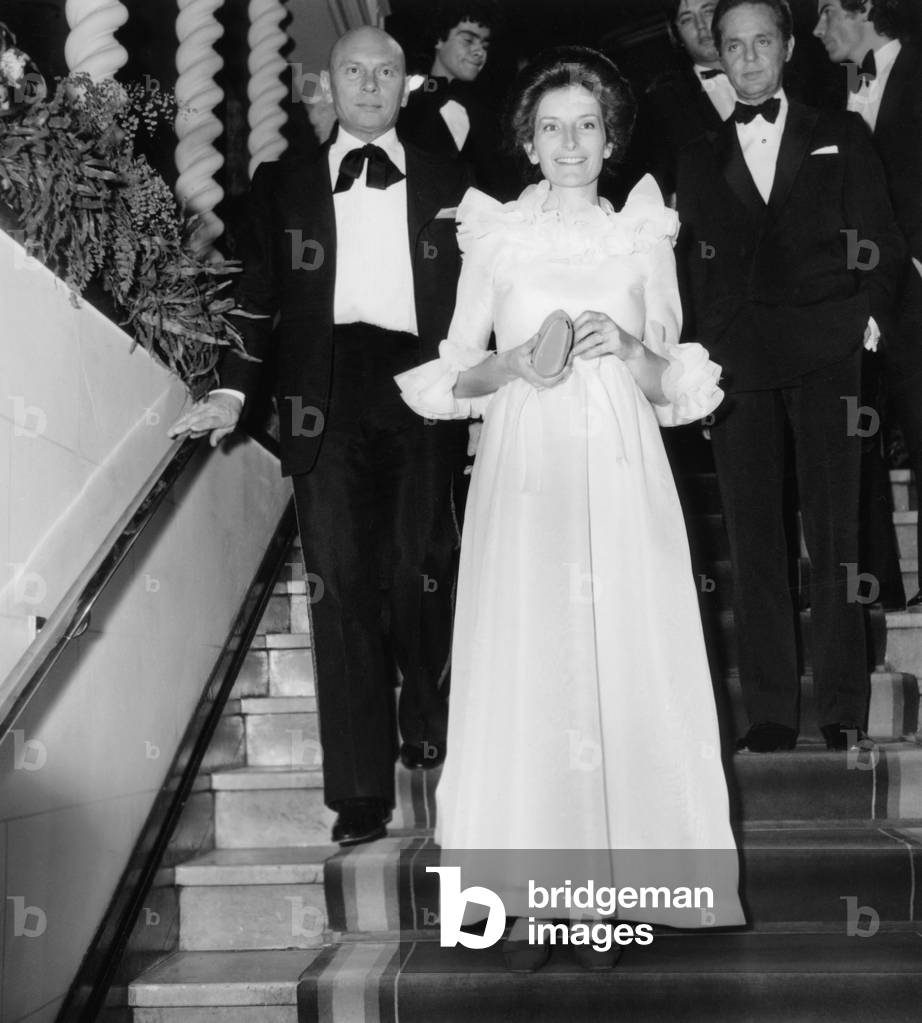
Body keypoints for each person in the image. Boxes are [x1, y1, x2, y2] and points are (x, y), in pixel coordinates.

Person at [396, 46, 745, 971]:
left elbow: (676, 380)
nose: (570, 142)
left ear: (610, 136)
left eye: (586, 125)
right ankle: (516, 902)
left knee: (616, 664)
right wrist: (513, 363)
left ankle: (600, 907)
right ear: (526, 138)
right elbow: (453, 370)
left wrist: (627, 342)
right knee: (531, 665)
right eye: (551, 126)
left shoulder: (643, 234)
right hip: (525, 465)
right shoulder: (496, 236)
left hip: (621, 466)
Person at [168, 27, 470, 848]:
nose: (370, 84)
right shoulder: (285, 182)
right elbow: (259, 297)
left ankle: (426, 702)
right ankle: (361, 793)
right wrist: (233, 391)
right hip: (321, 392)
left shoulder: (456, 178)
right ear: (326, 86)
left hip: (423, 381)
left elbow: (492, 288)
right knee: (339, 586)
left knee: (420, 569)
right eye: (353, 71)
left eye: (386, 71)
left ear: (407, 85)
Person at [676, 0, 905, 753]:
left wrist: (863, 319)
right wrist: (702, 357)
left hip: (826, 349)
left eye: (761, 43)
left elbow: (880, 235)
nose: (748, 60)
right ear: (719, 52)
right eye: (734, 46)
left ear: (786, 47)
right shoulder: (699, 152)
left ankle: (842, 704)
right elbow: (692, 271)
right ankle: (771, 709)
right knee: (753, 538)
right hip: (740, 361)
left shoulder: (839, 132)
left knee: (837, 533)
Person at [813, 0, 922, 608]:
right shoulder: (827, 93)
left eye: (827, 9)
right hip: (851, 296)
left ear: (867, 8)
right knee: (857, 438)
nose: (816, 26)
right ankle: (877, 591)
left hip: (917, 290)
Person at [397, 1, 516, 199]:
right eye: (468, 40)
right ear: (439, 39)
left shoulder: (487, 114)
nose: (480, 52)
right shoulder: (406, 98)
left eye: (484, 45)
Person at [635, 0, 736, 201]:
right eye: (687, 19)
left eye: (708, 11)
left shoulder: (784, 72)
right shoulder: (661, 104)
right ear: (676, 34)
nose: (701, 25)